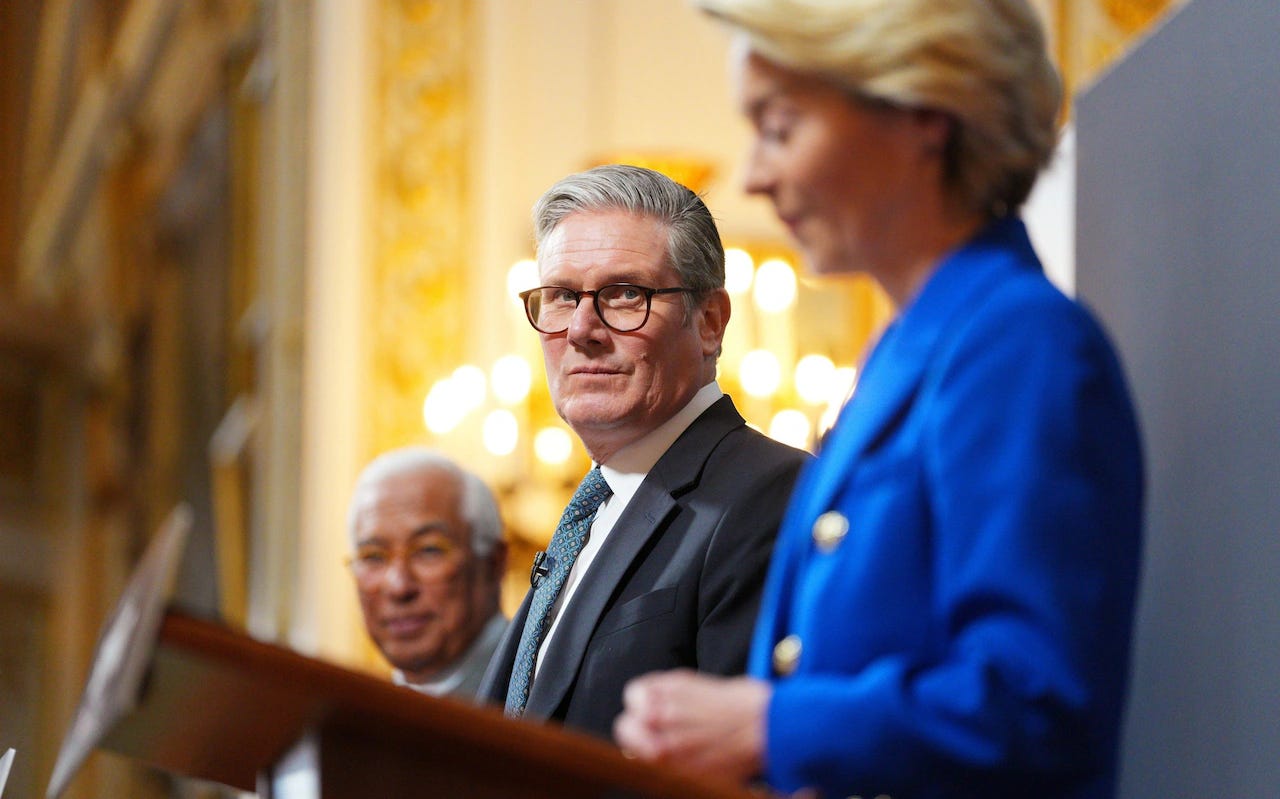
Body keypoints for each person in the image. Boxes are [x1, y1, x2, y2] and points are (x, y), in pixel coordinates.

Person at [613, 2, 1144, 798]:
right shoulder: (903, 356)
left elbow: (1038, 705)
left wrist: (766, 724)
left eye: (781, 127)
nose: (754, 174)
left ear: (924, 113)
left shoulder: (1020, 343)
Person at [477, 164, 810, 740]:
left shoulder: (771, 494)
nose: (582, 329)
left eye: (625, 294)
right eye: (560, 296)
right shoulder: (589, 511)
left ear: (709, 322)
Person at [347, 447, 508, 700]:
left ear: (493, 564)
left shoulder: (546, 697)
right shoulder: (345, 719)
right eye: (374, 556)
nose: (399, 587)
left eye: (428, 550)